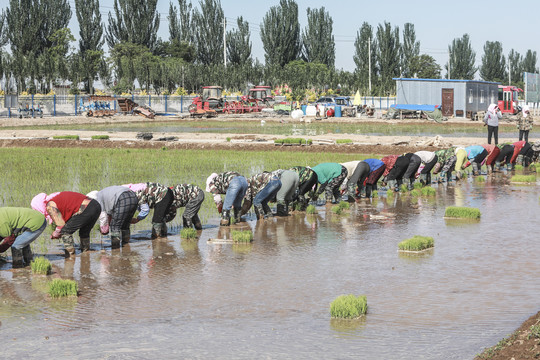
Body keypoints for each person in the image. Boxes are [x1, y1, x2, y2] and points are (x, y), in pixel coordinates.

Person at [31, 191, 101, 257]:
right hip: (95, 205)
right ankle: (86, 252)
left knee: (65, 231)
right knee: (84, 231)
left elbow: (60, 225)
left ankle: (70, 255)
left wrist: (55, 234)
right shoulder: (55, 199)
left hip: (86, 208)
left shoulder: (50, 206)